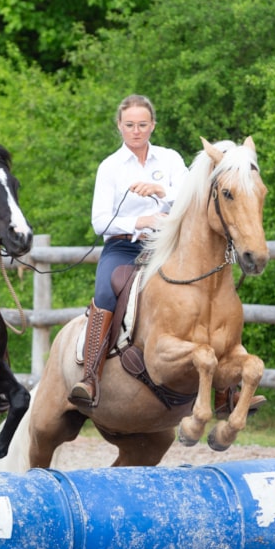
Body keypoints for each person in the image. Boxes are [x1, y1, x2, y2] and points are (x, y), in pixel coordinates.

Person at [70, 94, 188, 406]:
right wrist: (141, 219)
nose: (136, 130)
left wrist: (162, 190)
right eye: (130, 125)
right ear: (120, 127)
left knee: (203, 285)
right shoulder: (110, 167)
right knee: (106, 292)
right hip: (124, 247)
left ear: (153, 126)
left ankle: (223, 386)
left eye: (143, 124)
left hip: (168, 245)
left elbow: (192, 196)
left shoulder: (171, 159)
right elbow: (100, 221)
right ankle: (90, 377)